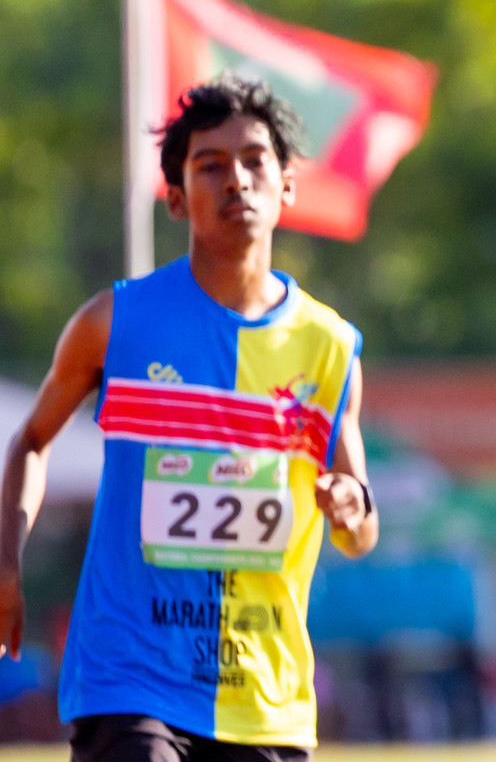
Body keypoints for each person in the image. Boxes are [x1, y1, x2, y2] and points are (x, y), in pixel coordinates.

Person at [0, 74, 378, 761]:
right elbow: (29, 442)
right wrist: (4, 559)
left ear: (287, 183)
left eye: (255, 160)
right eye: (211, 166)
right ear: (175, 197)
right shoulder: (113, 322)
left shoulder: (329, 348)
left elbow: (361, 533)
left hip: (264, 697)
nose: (237, 179)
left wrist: (351, 507)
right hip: (129, 676)